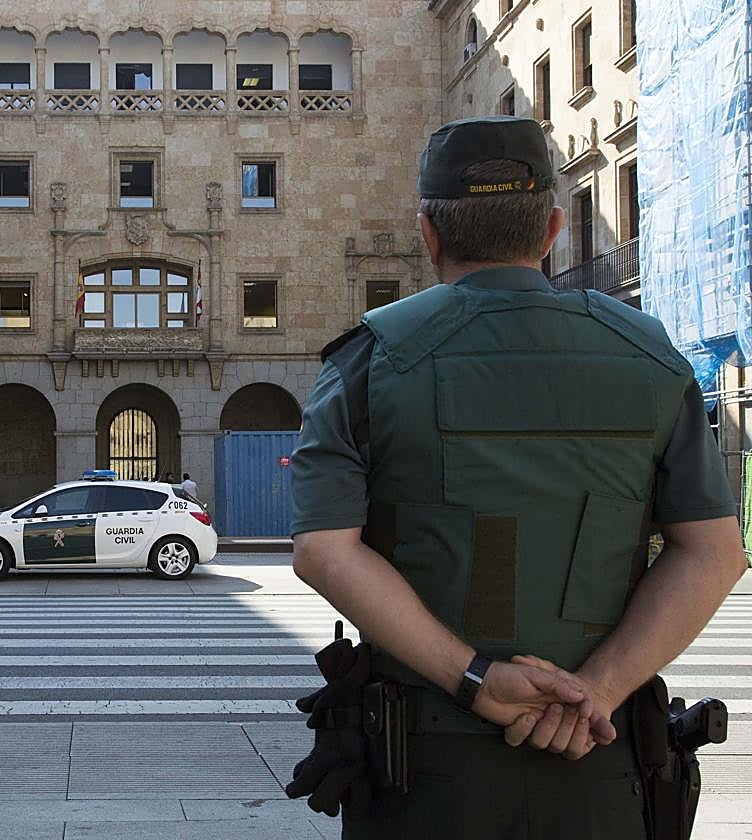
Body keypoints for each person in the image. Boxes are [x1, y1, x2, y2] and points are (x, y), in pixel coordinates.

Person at [289, 116, 747, 839]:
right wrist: (595, 692)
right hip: (602, 755)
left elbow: (324, 550)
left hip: (423, 766)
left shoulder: (367, 361)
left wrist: (474, 679)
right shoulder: (652, 357)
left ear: (428, 233)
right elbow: (715, 552)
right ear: (554, 228)